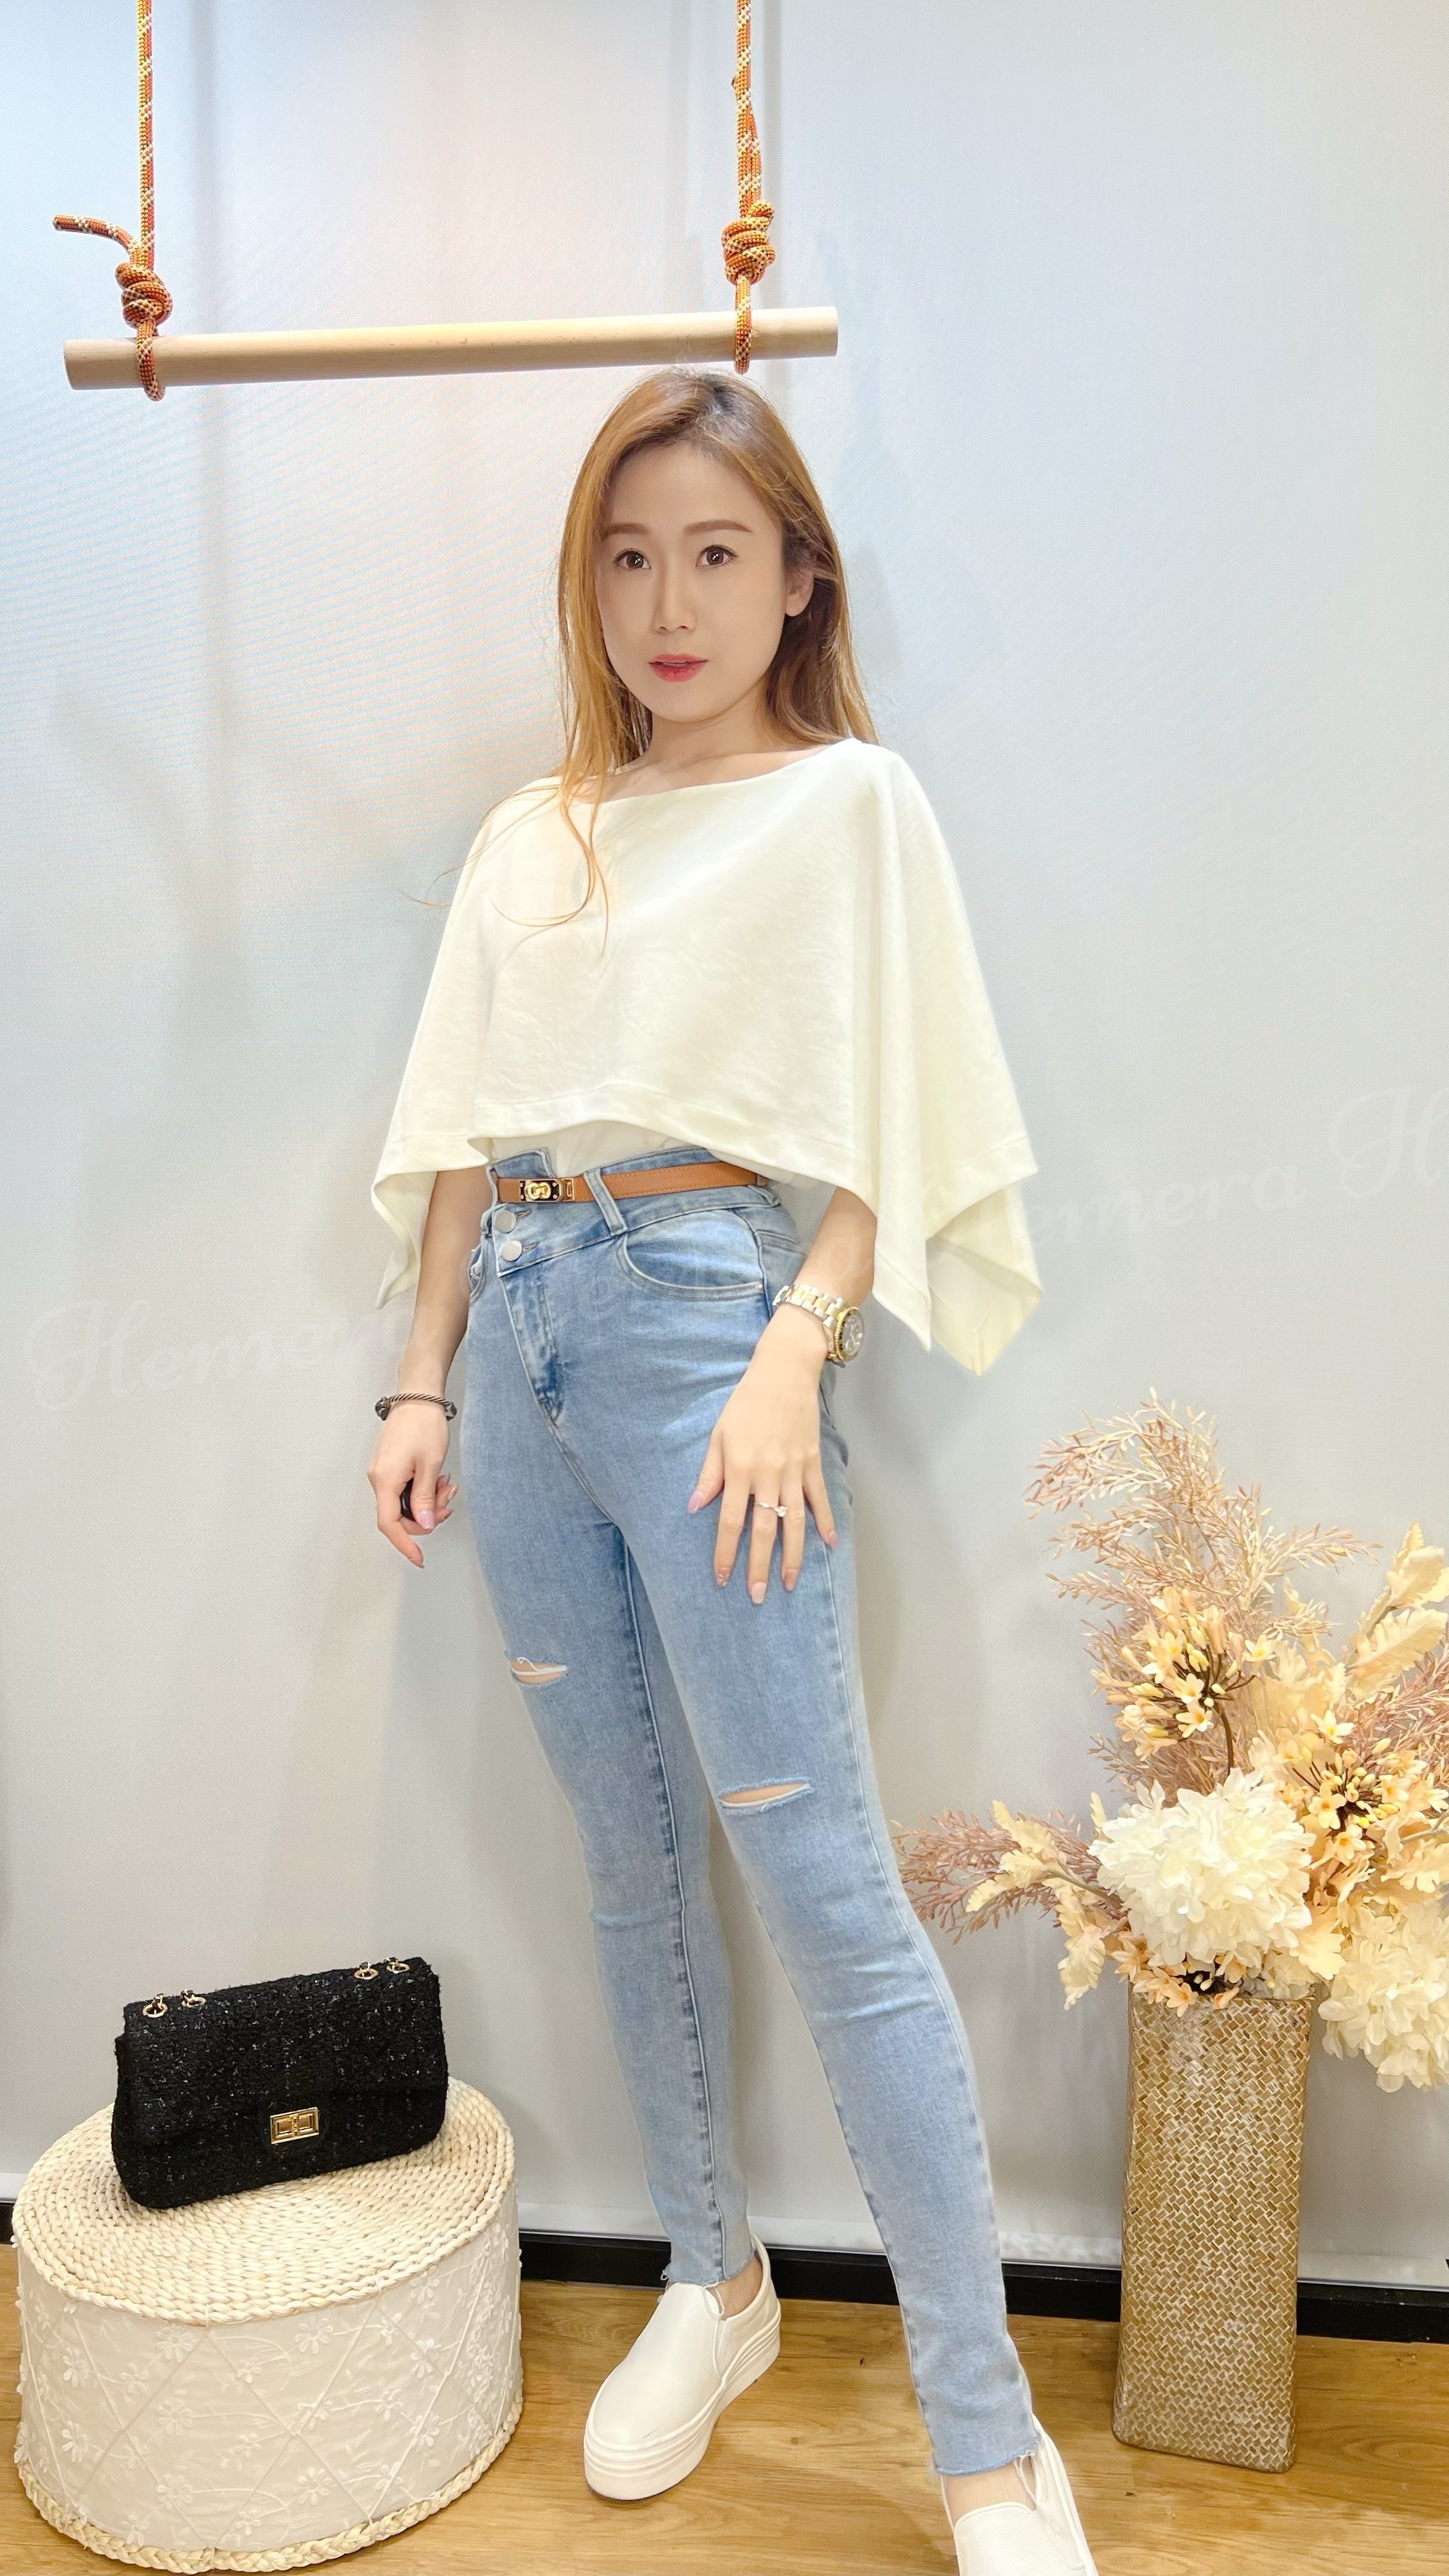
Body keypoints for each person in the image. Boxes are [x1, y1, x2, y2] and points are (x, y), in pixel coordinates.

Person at [366, 368, 1095, 2576]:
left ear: (796, 582)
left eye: (711, 553)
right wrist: (419, 1383)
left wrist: (800, 1344)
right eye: (625, 555)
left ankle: (987, 2445)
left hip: (712, 1329)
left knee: (824, 1884)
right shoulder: (536, 829)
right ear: (584, 584)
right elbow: (463, 1133)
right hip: (519, 1348)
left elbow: (896, 1113)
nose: (666, 604)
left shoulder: (850, 805)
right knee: (623, 1857)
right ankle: (714, 2275)